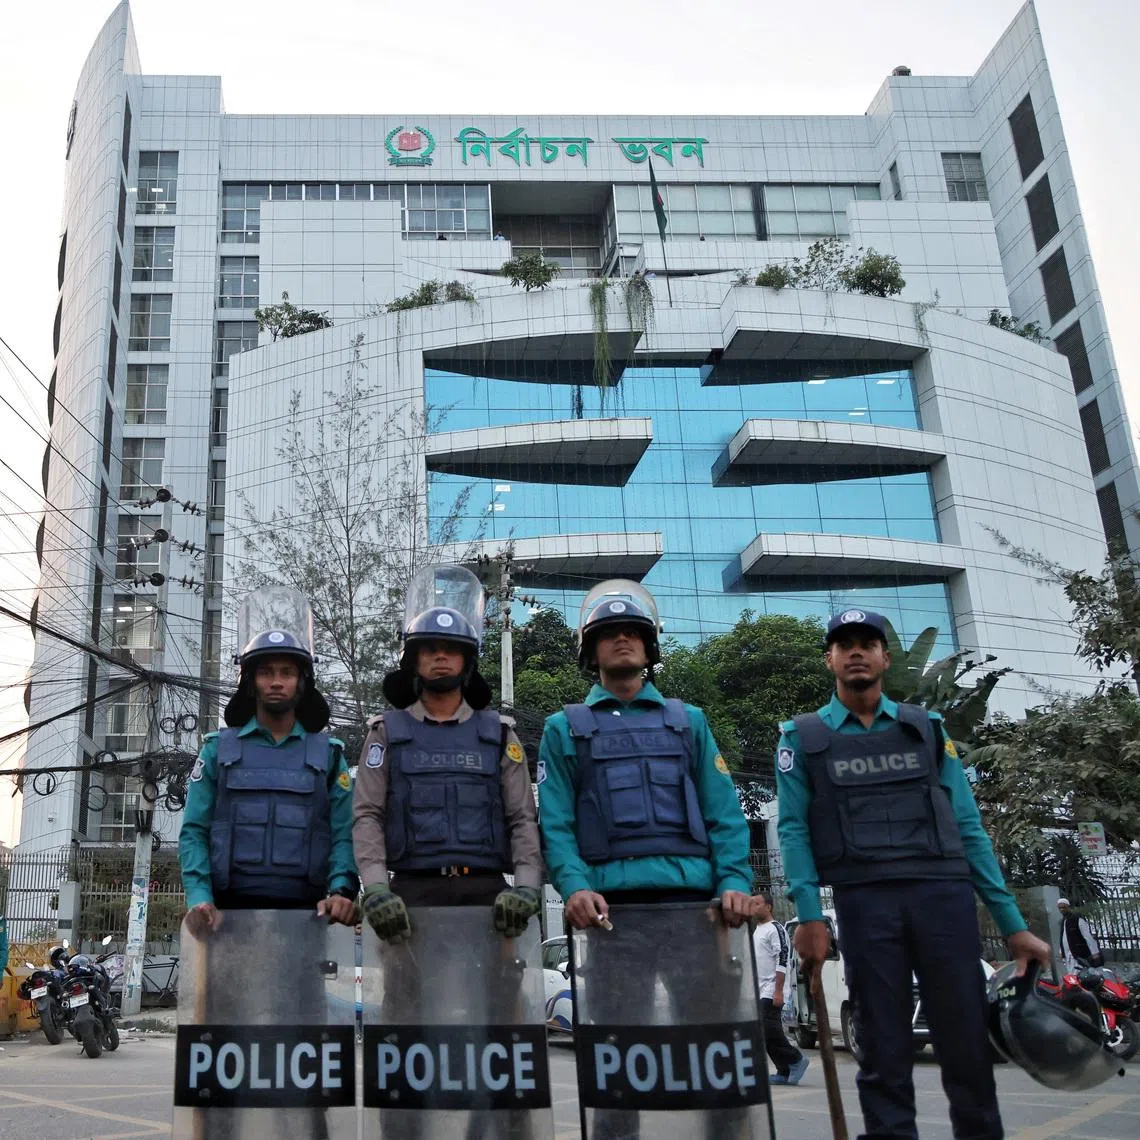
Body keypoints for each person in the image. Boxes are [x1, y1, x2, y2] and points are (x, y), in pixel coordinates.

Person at [777, 607, 1052, 1140]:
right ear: (829, 658)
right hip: (863, 901)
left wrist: (1013, 924)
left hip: (942, 897)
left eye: (868, 642)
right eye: (844, 643)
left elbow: (968, 828)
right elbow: (793, 832)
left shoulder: (927, 730)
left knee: (968, 1046)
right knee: (881, 1046)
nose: (856, 651)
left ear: (884, 656)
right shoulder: (801, 738)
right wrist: (809, 915)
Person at [538, 580, 754, 1137]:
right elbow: (555, 823)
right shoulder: (565, 729)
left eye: (633, 632)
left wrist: (733, 880)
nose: (623, 641)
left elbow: (724, 816)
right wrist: (575, 887)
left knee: (714, 1052)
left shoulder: (690, 721)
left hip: (698, 912)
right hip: (611, 919)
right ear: (592, 650)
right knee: (616, 1057)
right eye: (609, 634)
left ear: (651, 646)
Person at [354, 564, 543, 942]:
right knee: (406, 1002)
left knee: (501, 1000)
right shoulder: (386, 733)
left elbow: (522, 819)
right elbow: (366, 815)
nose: (441, 657)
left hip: (490, 896)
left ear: (467, 660)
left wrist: (526, 888)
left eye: (451, 650)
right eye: (430, 649)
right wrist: (376, 888)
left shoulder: (499, 735)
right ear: (413, 660)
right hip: (409, 895)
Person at [180, 586, 358, 934]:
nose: (276, 682)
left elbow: (344, 834)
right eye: (266, 673)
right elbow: (194, 832)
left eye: (287, 673)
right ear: (250, 681)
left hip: (306, 921)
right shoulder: (217, 750)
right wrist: (200, 898)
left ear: (302, 682)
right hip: (225, 920)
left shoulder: (328, 755)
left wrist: (340, 890)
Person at [751, 889, 809, 1086]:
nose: (753, 907)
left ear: (768, 906)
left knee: (770, 1030)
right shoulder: (758, 930)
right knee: (764, 1032)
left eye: (757, 903)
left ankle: (796, 1059)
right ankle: (783, 1071)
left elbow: (782, 959)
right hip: (760, 989)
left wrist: (778, 990)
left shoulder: (775, 928)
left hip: (772, 989)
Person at [1058, 898, 1104, 972]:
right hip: (1068, 956)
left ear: (1068, 907)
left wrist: (1094, 952)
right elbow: (1063, 937)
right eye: (1060, 908)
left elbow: (1088, 936)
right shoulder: (1064, 920)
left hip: (1079, 956)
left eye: (1064, 907)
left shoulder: (1077, 918)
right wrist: (1061, 951)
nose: (1062, 910)